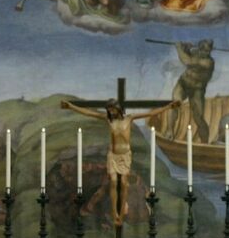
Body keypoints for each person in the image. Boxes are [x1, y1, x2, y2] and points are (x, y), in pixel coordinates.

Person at [62, 98, 180, 226]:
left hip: (124, 157)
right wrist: (71, 107)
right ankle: (116, 214)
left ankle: (121, 213)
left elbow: (150, 113)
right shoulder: (109, 120)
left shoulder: (129, 119)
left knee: (123, 184)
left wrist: (169, 107)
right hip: (113, 156)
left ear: (118, 108)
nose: (111, 113)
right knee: (113, 183)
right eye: (109, 111)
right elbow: (90, 113)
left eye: (112, 110)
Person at [172, 40, 215, 144]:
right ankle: (169, 131)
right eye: (204, 50)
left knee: (199, 118)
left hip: (197, 90)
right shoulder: (196, 52)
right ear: (199, 49)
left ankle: (205, 143)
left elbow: (187, 61)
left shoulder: (208, 62)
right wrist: (186, 48)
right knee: (174, 105)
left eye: (208, 51)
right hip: (183, 84)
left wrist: (178, 47)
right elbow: (189, 54)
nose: (206, 53)